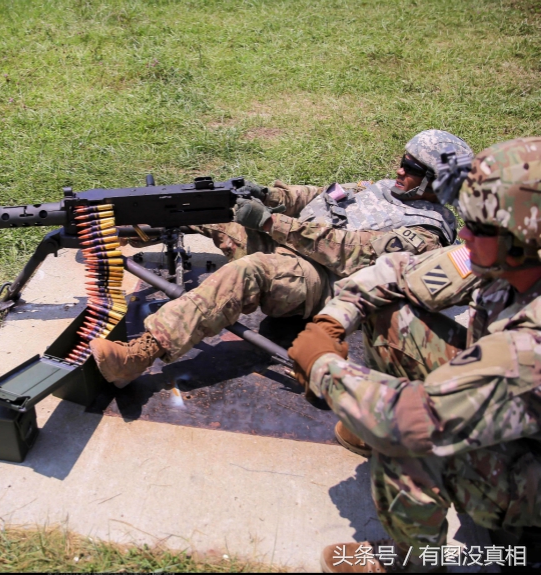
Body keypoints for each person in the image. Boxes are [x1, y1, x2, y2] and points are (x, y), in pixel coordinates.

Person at [286, 137, 541, 573]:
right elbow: (393, 273)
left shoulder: (531, 345)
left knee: (405, 449)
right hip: (512, 415)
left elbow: (408, 421)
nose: (463, 232)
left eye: (478, 227)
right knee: (393, 313)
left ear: (521, 241)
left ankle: (415, 562)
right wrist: (329, 325)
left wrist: (322, 366)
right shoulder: (507, 257)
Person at [90, 130, 471, 388]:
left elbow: (349, 252)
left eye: (413, 169)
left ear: (437, 182)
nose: (400, 170)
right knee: (214, 206)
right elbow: (321, 196)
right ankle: (129, 227)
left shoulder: (427, 232)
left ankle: (139, 355)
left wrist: (272, 222)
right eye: (404, 161)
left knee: (247, 271)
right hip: (294, 243)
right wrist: (269, 195)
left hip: (322, 283)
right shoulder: (387, 189)